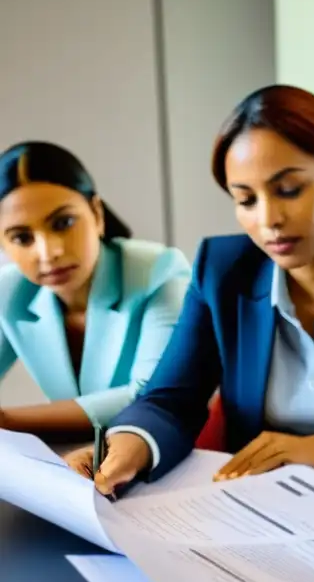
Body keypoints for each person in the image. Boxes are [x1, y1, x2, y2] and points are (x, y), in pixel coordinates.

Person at [66, 85, 314, 493]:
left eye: (289, 190)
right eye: (246, 200)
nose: (269, 219)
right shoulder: (223, 271)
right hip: (265, 513)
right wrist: (131, 442)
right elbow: (171, 398)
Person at [0, 141, 189, 436]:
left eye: (63, 223)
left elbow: (150, 395)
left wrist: (8, 420)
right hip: (71, 459)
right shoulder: (9, 292)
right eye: (22, 238)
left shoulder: (159, 271)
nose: (49, 253)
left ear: (97, 214)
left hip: (161, 451)